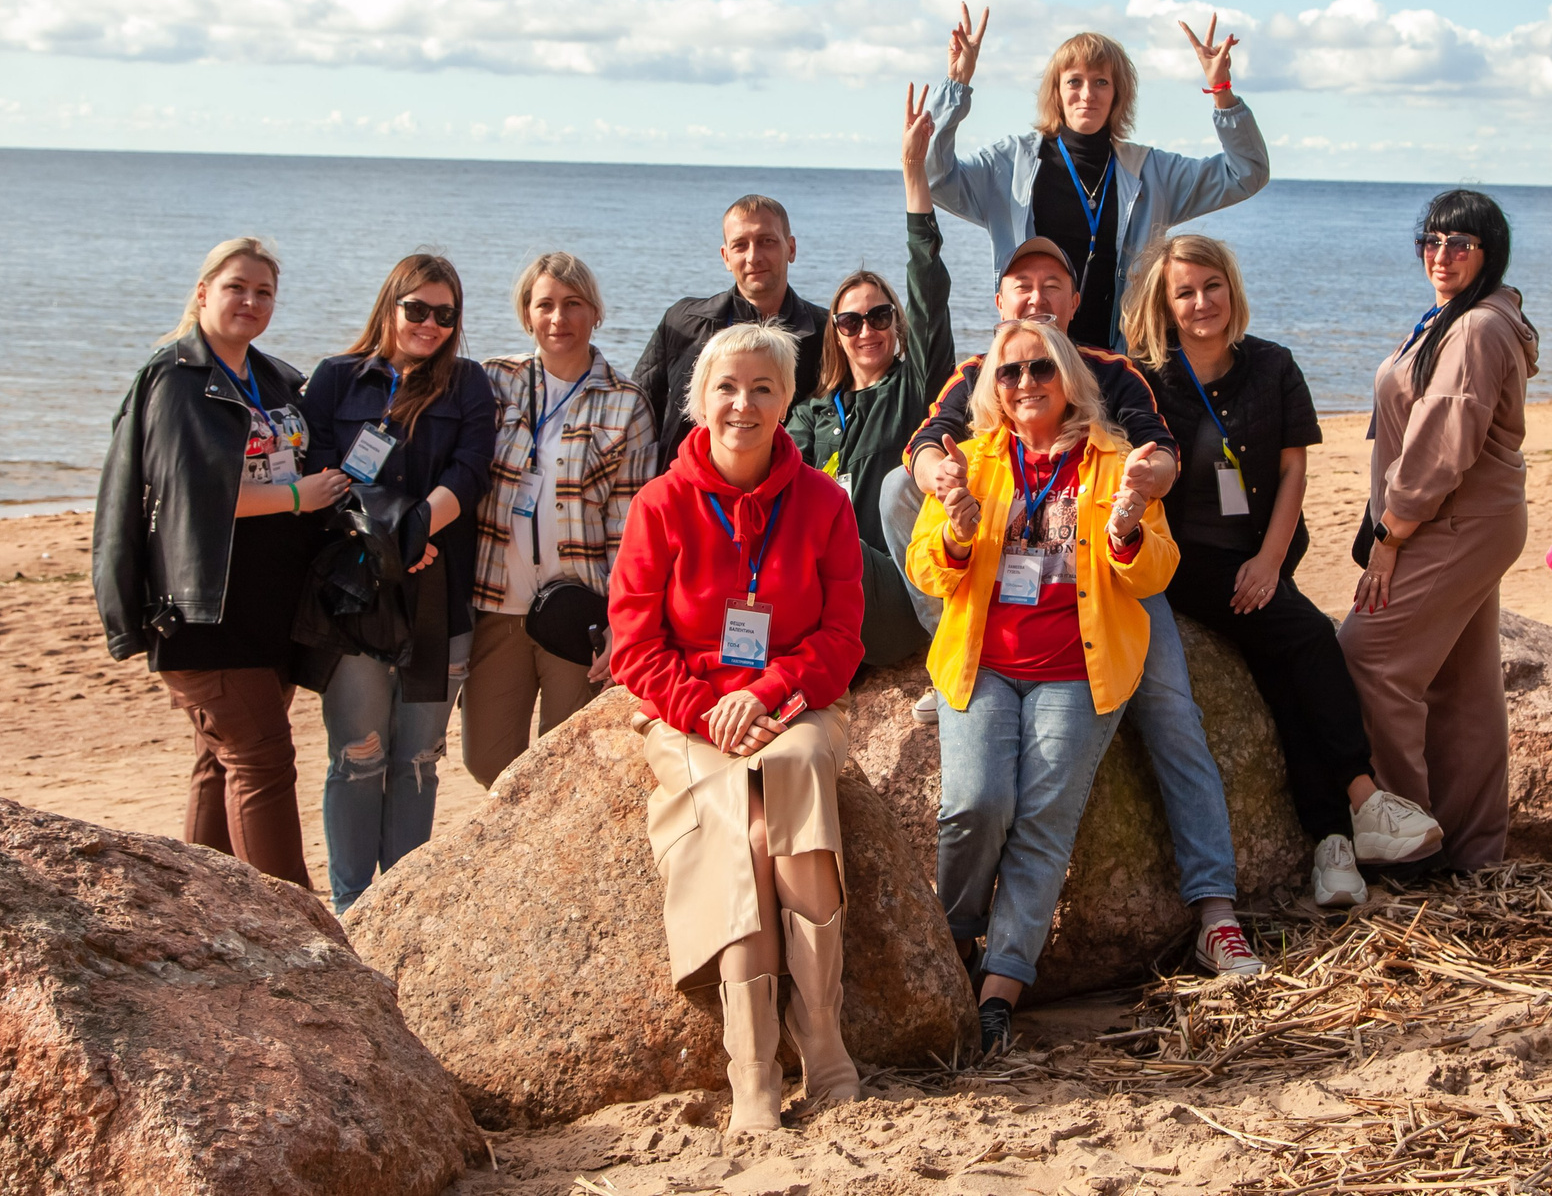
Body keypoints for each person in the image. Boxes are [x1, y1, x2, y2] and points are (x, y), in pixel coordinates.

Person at [901, 239, 1262, 979]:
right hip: (1000, 605)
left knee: (1170, 711)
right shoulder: (980, 374)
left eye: (1052, 285)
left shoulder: (1110, 370)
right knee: (890, 497)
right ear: (1000, 301)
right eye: (1021, 286)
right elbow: (925, 443)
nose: (1035, 300)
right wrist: (944, 477)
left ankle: (1215, 909)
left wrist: (1137, 489)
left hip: (1107, 566)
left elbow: (1161, 451)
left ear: (1073, 301)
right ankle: (957, 676)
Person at [1120, 235, 1437, 908]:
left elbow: (1294, 469)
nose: (1202, 301)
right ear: (1165, 304)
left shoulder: (1273, 365)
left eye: (1213, 284)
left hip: (1264, 552)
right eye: (1185, 291)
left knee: (1285, 677)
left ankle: (1333, 847)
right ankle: (1363, 797)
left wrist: (1269, 559)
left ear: (1231, 288)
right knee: (1310, 640)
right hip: (1189, 562)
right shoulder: (1147, 379)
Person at [608, 321, 866, 1133]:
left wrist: (773, 691)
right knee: (746, 835)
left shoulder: (824, 500)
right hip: (690, 710)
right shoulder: (660, 504)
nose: (743, 404)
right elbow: (633, 646)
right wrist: (700, 709)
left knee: (794, 780)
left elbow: (844, 636)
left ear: (789, 399)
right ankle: (752, 1065)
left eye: (762, 388)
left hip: (791, 704)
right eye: (726, 387)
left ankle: (821, 1040)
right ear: (698, 401)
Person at [905, 319, 1176, 1057]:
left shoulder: (1116, 458)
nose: (1026, 384)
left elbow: (1155, 571)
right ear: (993, 386)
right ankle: (958, 935)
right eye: (1010, 372)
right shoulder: (973, 459)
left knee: (1043, 822)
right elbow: (926, 567)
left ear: (1068, 379)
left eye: (1040, 369)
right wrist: (957, 534)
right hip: (982, 661)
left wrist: (1126, 528)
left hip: (1078, 670)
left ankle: (1002, 984)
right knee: (974, 804)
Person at [93, 237, 351, 888]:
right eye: (237, 286)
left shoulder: (274, 377)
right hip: (205, 608)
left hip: (269, 607)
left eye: (264, 291)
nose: (251, 301)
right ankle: (296, 921)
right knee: (262, 759)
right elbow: (196, 492)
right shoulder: (176, 379)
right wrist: (298, 494)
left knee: (221, 758)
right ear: (204, 291)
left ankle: (197, 903)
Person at [1340, 192, 1539, 877]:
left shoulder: (1479, 327)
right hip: (1470, 518)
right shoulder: (1461, 316)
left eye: (1460, 243)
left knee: (1369, 656)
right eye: (1431, 240)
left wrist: (1390, 536)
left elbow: (1441, 443)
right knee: (1461, 687)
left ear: (1490, 251)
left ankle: (1410, 843)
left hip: (1449, 520)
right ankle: (1476, 853)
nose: (1441, 255)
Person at [301, 253, 498, 914]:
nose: (431, 324)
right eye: (417, 308)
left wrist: (416, 531)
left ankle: (405, 909)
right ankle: (353, 905)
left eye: (446, 314)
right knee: (358, 754)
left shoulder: (467, 383)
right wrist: (383, 540)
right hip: (356, 597)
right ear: (390, 304)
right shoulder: (333, 379)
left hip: (439, 596)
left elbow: (470, 473)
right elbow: (320, 476)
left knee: (418, 758)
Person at [925, 7, 1269, 351]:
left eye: (1101, 82)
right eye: (1074, 81)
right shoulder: (1008, 165)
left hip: (1120, 365)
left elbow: (1246, 172)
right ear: (1056, 91)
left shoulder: (1152, 172)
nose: (1087, 94)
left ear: (1118, 94)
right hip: (1034, 359)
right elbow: (932, 176)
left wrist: (1221, 91)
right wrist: (956, 85)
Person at [466, 251, 657, 785]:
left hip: (579, 607)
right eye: (545, 304)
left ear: (595, 313)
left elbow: (629, 527)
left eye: (573, 304)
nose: (559, 318)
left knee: (567, 762)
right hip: (497, 604)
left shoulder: (626, 404)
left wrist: (623, 621)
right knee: (486, 759)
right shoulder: (492, 382)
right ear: (526, 314)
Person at [787, 86, 956, 668]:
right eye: (851, 320)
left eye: (879, 315)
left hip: (891, 590)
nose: (867, 330)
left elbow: (929, 287)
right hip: (822, 597)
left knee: (828, 536)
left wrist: (914, 172)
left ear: (896, 322)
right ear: (835, 332)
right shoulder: (812, 413)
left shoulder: (915, 388)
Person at [635, 196, 830, 465]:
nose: (753, 257)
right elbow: (638, 412)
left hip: (782, 498)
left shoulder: (828, 332)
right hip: (687, 493)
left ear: (791, 248)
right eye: (740, 245)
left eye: (767, 241)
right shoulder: (683, 322)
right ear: (726, 257)